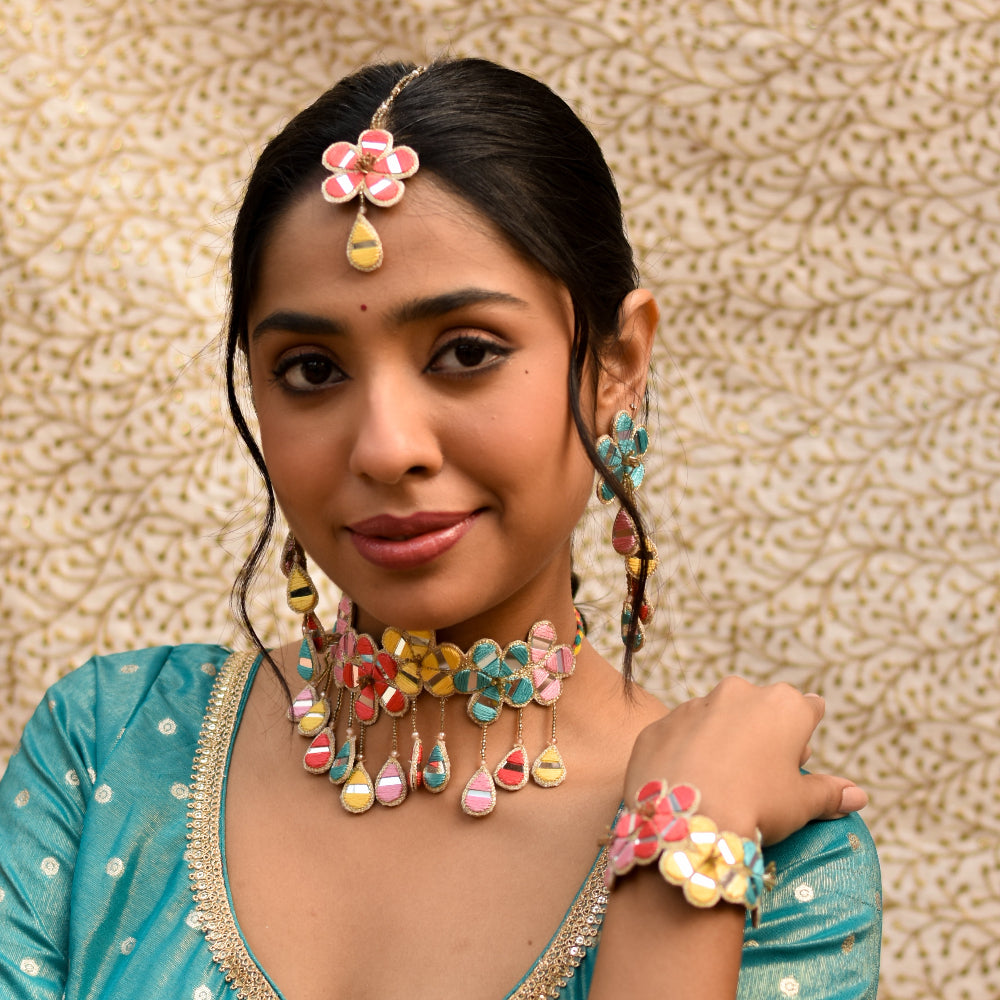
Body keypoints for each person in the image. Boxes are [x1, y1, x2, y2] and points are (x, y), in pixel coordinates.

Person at [0, 59, 880, 999]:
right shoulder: (111, 749)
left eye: (466, 352)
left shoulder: (774, 855)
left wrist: (683, 849)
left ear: (617, 364)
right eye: (311, 369)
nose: (386, 448)